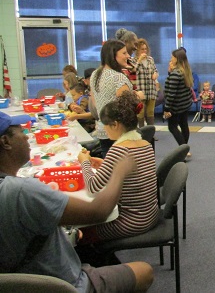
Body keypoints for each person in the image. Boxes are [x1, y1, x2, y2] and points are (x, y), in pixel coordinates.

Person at [0, 111, 154, 292]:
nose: (27, 138)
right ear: (5, 142)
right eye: (21, 132)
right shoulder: (21, 191)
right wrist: (119, 172)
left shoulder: (16, 191)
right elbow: (99, 211)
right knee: (145, 271)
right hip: (63, 284)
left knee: (82, 237)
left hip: (19, 281)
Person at [78, 91, 158, 244]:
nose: (104, 130)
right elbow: (134, 173)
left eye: (105, 125)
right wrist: (106, 164)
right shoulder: (145, 144)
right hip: (149, 215)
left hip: (130, 222)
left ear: (115, 125)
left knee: (79, 234)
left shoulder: (119, 149)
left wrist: (84, 162)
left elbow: (92, 187)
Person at [90, 40, 133, 157]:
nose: (128, 56)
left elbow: (94, 102)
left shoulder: (95, 75)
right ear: (113, 55)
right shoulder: (118, 78)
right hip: (119, 132)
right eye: (124, 53)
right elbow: (126, 109)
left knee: (108, 166)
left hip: (103, 128)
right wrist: (137, 96)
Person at [163, 48, 193, 153]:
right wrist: (169, 72)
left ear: (177, 59)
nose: (170, 59)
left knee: (172, 127)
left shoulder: (176, 73)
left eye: (172, 57)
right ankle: (184, 148)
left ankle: (183, 149)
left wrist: (167, 108)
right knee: (184, 125)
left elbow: (171, 93)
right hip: (185, 105)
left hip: (176, 106)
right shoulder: (185, 71)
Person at [133, 38, 159, 127]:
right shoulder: (133, 60)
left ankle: (150, 132)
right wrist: (139, 61)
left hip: (151, 90)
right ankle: (141, 131)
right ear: (137, 50)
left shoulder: (150, 59)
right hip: (140, 90)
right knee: (140, 112)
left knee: (150, 112)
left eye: (145, 49)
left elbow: (155, 70)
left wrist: (155, 74)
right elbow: (133, 71)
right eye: (142, 49)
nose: (144, 51)